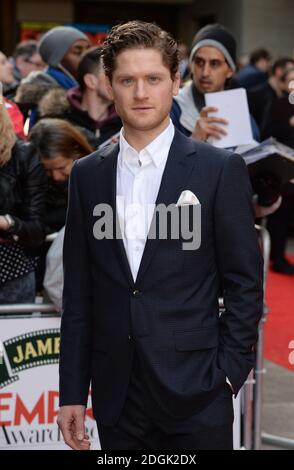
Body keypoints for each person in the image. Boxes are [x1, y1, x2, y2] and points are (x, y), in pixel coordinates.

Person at [57, 20, 263, 450]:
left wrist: (228, 372)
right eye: (127, 80)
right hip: (117, 394)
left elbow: (244, 282)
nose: (141, 93)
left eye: (153, 79)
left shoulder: (218, 169)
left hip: (198, 392)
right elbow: (79, 294)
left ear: (175, 81)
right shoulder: (88, 174)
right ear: (109, 86)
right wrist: (72, 392)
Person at [0, 101, 46, 303]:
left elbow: (37, 230)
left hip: (11, 273)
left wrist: (8, 223)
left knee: (15, 335)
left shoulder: (23, 155)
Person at [37, 46, 122, 148]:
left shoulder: (125, 124)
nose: (120, 79)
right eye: (110, 73)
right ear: (90, 81)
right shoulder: (58, 123)